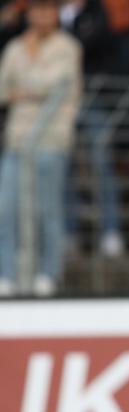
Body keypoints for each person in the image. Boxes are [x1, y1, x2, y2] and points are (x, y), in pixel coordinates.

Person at [0, 0, 81, 296]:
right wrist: (30, 91)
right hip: (18, 138)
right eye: (38, 9)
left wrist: (22, 90)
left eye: (49, 9)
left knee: (48, 210)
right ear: (29, 13)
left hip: (51, 138)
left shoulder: (67, 46)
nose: (43, 15)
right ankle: (6, 274)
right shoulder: (15, 47)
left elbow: (59, 83)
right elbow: (3, 88)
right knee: (6, 210)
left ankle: (48, 273)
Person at [60, 0, 125, 258]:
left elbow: (95, 44)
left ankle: (111, 231)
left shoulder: (97, 11)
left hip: (94, 98)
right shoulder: (51, 13)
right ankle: (68, 233)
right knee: (63, 168)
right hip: (60, 105)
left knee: (101, 163)